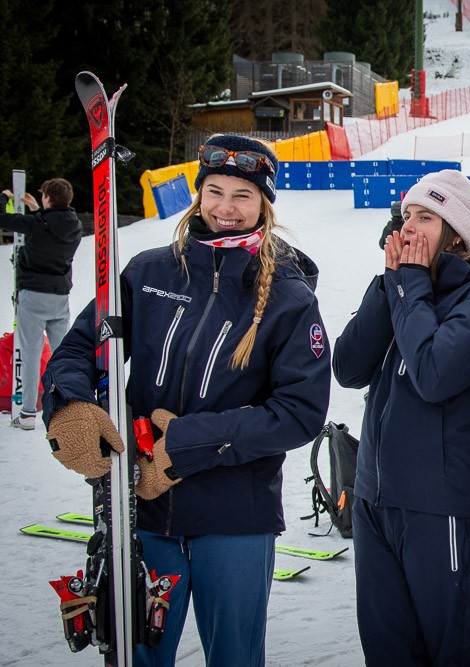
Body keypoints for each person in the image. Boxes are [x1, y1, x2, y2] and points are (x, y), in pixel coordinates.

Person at [42, 134, 332, 666]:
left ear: (264, 204)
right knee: (140, 654)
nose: (225, 207)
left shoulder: (288, 297)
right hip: (143, 512)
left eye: (242, 195)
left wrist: (183, 444)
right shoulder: (148, 273)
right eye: (214, 191)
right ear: (199, 193)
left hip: (235, 519)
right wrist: (70, 405)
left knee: (234, 656)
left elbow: (299, 412)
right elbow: (80, 348)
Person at [333, 169, 470, 666]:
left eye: (426, 217)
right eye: (407, 216)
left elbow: (434, 374)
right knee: (388, 652)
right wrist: (390, 283)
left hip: (441, 508)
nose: (410, 227)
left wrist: (412, 286)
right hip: (375, 498)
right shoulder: (404, 286)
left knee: (448, 653)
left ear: (456, 234)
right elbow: (348, 368)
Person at [0, 178, 82, 430]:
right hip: (60, 298)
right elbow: (52, 227)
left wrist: (4, 197)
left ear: (47, 197)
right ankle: (65, 407)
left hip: (33, 295)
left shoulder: (36, 224)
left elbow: (3, 219)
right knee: (61, 356)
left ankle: (27, 413)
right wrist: (37, 209)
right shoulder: (75, 225)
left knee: (31, 354)